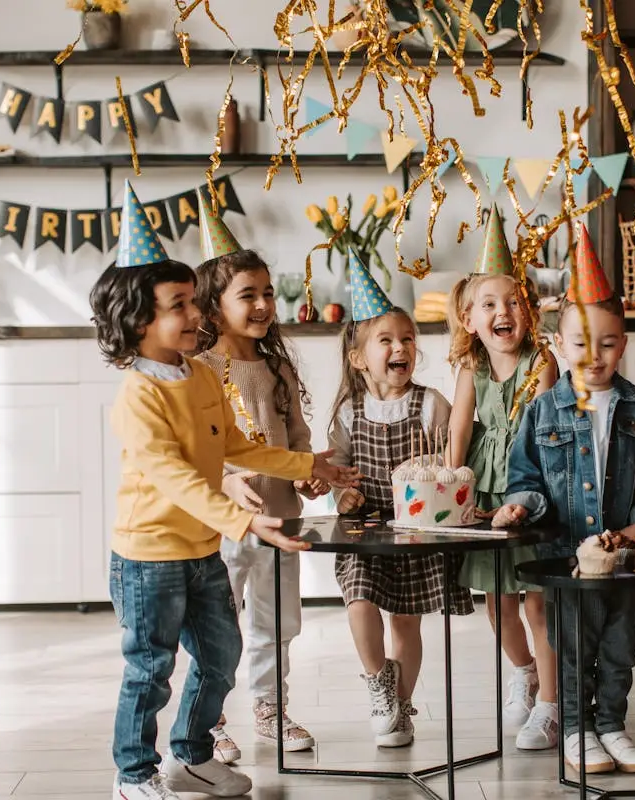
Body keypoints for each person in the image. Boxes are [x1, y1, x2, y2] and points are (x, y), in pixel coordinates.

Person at [92, 181, 359, 800]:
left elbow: (234, 444)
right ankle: (133, 774)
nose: (195, 315)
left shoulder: (195, 376)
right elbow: (174, 475)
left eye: (193, 302)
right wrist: (245, 522)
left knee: (222, 653)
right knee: (151, 668)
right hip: (149, 555)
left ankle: (191, 755)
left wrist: (303, 464)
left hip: (199, 550)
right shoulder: (140, 394)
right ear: (138, 320)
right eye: (180, 305)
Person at [492, 222, 635, 776]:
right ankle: (575, 729)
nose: (594, 354)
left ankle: (611, 723)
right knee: (570, 644)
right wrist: (521, 505)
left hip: (621, 561)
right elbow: (526, 475)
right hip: (567, 558)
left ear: (624, 342)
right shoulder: (543, 410)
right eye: (580, 343)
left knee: (621, 642)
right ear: (557, 345)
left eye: (608, 342)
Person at [191, 216, 326, 763]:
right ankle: (210, 720)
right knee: (217, 627)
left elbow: (297, 440)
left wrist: (309, 473)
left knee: (277, 622)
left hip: (281, 522)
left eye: (268, 292)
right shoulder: (198, 370)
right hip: (219, 526)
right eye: (248, 295)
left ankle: (271, 708)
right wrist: (224, 479)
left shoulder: (277, 371)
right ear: (212, 305)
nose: (264, 304)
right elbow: (194, 454)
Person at [329, 250, 474, 748]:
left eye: (407, 339)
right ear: (358, 357)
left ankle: (402, 705)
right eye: (386, 340)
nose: (400, 348)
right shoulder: (349, 411)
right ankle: (378, 686)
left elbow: (451, 461)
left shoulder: (431, 403)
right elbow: (338, 471)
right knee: (359, 599)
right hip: (366, 528)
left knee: (407, 620)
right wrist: (343, 493)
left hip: (418, 526)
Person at [445, 206, 560, 750]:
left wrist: (524, 496)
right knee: (495, 600)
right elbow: (459, 430)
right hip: (483, 497)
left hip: (530, 493)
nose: (503, 311)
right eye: (489, 304)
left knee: (537, 600)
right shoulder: (472, 368)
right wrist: (449, 486)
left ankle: (551, 705)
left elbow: (539, 435)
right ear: (470, 319)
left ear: (529, 313)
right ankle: (525, 671)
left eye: (514, 301)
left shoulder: (543, 363)